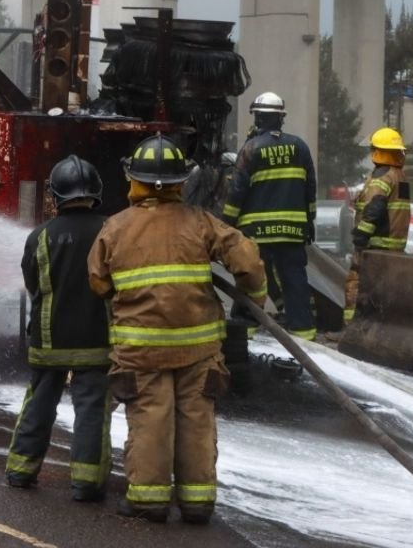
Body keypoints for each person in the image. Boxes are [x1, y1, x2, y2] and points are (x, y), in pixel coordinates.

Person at [89, 134, 266, 525]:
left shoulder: (115, 228)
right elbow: (249, 263)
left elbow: (98, 282)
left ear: (133, 179)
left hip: (141, 349)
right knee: (196, 419)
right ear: (179, 183)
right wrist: (258, 297)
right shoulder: (201, 222)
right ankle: (197, 503)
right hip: (198, 348)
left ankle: (149, 501)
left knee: (151, 418)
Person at [4, 156, 112, 502]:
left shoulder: (40, 236)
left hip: (48, 340)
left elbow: (32, 285)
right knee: (91, 410)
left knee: (38, 404)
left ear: (56, 195)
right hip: (97, 341)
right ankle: (86, 483)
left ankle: (20, 471)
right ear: (95, 191)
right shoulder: (111, 231)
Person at [221, 92, 318, 340]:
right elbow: (310, 189)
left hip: (257, 232)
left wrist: (226, 225)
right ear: (281, 118)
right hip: (293, 230)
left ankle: (245, 330)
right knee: (294, 278)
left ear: (260, 118)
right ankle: (304, 332)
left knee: (252, 277)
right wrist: (309, 222)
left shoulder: (251, 149)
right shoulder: (300, 147)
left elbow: (237, 192)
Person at [344, 128, 410, 324]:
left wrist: (360, 236)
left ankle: (351, 329)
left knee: (356, 284)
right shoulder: (400, 176)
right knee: (386, 290)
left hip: (376, 245)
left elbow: (375, 207)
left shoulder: (382, 176)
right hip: (396, 245)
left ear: (377, 150)